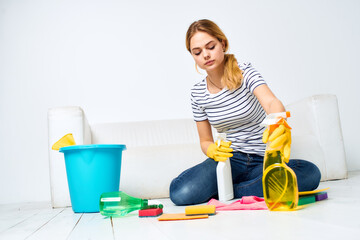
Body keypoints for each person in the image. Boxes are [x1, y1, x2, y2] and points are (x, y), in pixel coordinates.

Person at [169, 19, 321, 206]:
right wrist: (212, 150)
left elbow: (271, 102)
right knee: (180, 192)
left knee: (311, 173)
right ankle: (250, 188)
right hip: (230, 160)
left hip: (262, 160)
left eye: (211, 47)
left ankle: (231, 190)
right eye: (198, 52)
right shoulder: (198, 94)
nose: (206, 55)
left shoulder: (245, 73)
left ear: (222, 44)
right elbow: (205, 140)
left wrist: (279, 121)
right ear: (193, 56)